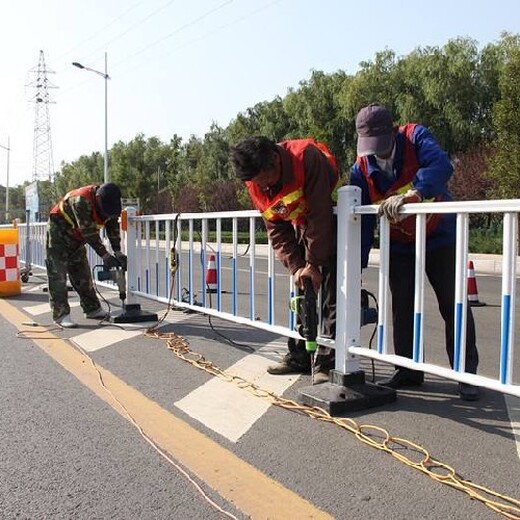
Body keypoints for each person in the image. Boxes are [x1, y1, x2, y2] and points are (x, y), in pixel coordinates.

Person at [349, 104, 480, 401]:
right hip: (399, 244)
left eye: (382, 145)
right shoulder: (360, 169)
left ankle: (465, 372)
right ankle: (408, 368)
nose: (378, 153)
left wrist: (415, 192)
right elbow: (365, 223)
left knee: (453, 303)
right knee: (402, 307)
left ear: (393, 131)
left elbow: (442, 166)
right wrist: (356, 267)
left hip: (439, 235)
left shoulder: (415, 137)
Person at [230, 136, 341, 382]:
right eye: (256, 181)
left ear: (274, 160)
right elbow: (277, 229)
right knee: (303, 293)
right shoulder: (255, 183)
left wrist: (313, 264)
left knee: (331, 299)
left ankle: (326, 362)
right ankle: (301, 356)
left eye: (265, 178)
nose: (264, 185)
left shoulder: (306, 157)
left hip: (336, 224)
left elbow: (320, 213)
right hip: (304, 228)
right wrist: (298, 267)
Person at [46, 182, 127, 328]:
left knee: (82, 273)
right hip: (58, 234)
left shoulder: (111, 204)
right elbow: (88, 232)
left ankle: (92, 309)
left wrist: (117, 251)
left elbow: (112, 226)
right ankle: (61, 315)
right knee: (57, 275)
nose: (107, 214)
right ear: (98, 199)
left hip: (77, 238)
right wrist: (105, 256)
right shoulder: (81, 201)